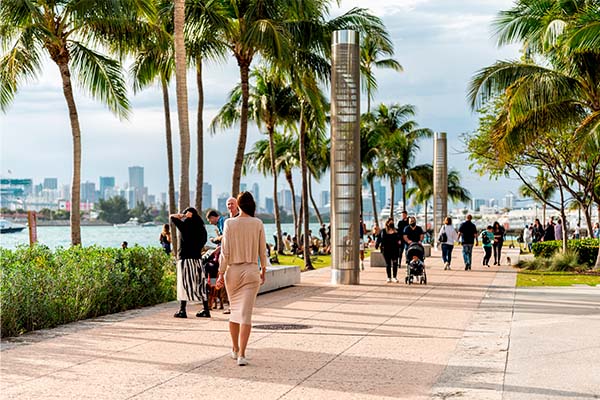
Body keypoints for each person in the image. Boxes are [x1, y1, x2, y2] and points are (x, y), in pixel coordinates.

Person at [216, 192, 266, 366]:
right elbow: (262, 250)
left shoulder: (229, 223)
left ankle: (235, 348)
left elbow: (225, 252)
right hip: (252, 270)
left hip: (233, 273)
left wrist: (221, 273)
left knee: (235, 311)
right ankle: (242, 354)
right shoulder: (258, 223)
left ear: (238, 204)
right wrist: (264, 270)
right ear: (252, 204)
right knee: (246, 314)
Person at [170, 207, 210, 319]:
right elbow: (204, 241)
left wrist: (183, 216)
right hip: (197, 259)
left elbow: (172, 217)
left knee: (184, 283)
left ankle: (182, 310)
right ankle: (206, 309)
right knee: (200, 284)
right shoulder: (201, 228)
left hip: (185, 259)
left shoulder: (186, 226)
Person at [376, 218, 401, 283]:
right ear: (387, 223)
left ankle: (394, 277)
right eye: (390, 223)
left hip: (395, 249)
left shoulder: (396, 231)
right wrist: (377, 244)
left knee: (395, 263)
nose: (391, 224)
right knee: (388, 264)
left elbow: (400, 239)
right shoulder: (383, 231)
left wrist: (400, 242)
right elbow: (379, 239)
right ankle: (389, 277)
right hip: (386, 250)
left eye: (392, 222)